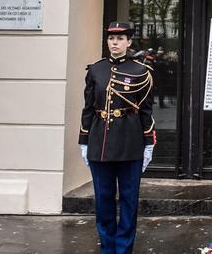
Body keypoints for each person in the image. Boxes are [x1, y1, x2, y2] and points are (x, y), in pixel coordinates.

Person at [79, 21, 156, 254]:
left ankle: (123, 250)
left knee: (129, 201)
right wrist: (83, 140)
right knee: (103, 201)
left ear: (129, 42)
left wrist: (149, 143)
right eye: (112, 38)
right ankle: (107, 248)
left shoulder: (141, 71)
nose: (115, 43)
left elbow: (146, 111)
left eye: (120, 39)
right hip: (99, 142)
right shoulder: (96, 70)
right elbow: (88, 107)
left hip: (130, 143)